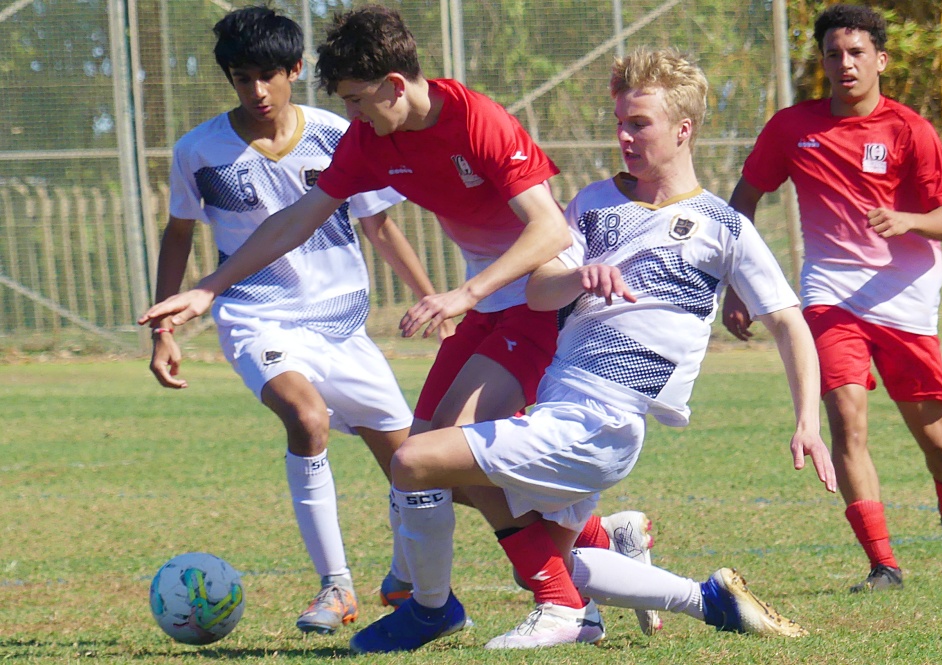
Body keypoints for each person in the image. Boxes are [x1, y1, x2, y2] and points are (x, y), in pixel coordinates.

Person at [138, 4, 660, 637]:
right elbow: (299, 218)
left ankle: (558, 601)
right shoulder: (368, 139)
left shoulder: (477, 120)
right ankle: (598, 538)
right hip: (484, 306)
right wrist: (209, 288)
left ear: (394, 85)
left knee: (442, 457)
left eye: (359, 100)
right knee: (419, 465)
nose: (351, 116)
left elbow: (549, 228)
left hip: (542, 301)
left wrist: (464, 293)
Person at [347, 45, 837, 653]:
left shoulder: (723, 225)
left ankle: (443, 610)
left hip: (604, 421)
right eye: (620, 123)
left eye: (640, 124)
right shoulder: (595, 202)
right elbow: (541, 289)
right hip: (559, 407)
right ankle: (708, 599)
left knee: (416, 461)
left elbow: (789, 323)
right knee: (550, 554)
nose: (625, 137)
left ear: (683, 130)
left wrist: (808, 423)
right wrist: (581, 275)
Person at [140, 6, 449, 635]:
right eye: (240, 77)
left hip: (341, 325)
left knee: (413, 465)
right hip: (259, 318)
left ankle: (407, 576)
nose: (255, 91)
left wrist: (434, 299)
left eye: (267, 75)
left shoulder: (340, 133)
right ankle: (336, 589)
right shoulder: (199, 151)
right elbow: (177, 236)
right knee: (307, 419)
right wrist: (162, 330)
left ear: (296, 70)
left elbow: (378, 226)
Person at [721, 3, 942, 593]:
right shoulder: (791, 128)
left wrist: (906, 219)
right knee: (845, 421)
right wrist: (737, 283)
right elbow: (745, 199)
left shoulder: (909, 129)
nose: (846, 64)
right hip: (830, 293)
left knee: (937, 442)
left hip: (904, 298)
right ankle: (884, 565)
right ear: (823, 63)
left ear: (880, 60)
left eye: (857, 53)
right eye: (834, 54)